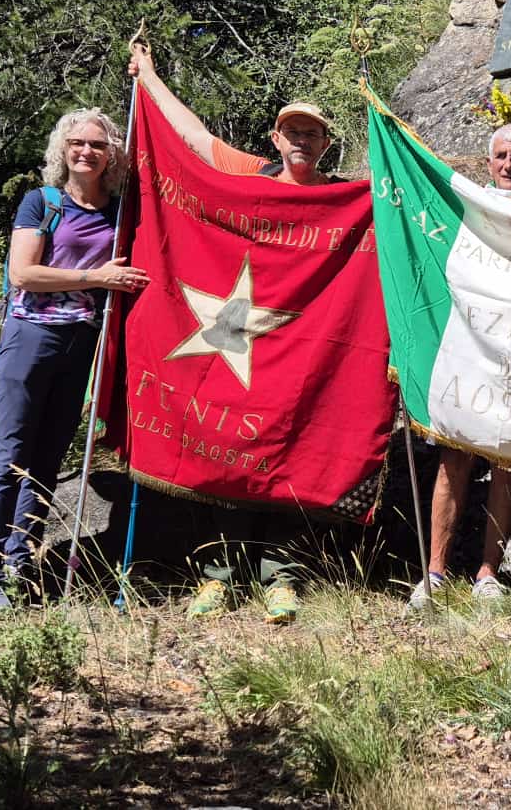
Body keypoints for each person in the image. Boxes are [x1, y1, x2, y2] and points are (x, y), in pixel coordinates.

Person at [129, 33, 342, 623]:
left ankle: (282, 577)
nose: (301, 140)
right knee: (226, 449)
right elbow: (194, 139)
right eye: (292, 131)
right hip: (233, 336)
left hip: (300, 349)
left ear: (326, 143)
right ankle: (219, 575)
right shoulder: (251, 172)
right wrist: (147, 75)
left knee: (290, 453)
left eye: (312, 133)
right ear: (277, 138)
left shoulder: (345, 199)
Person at [0, 107, 149, 609]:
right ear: (62, 150)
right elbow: (25, 274)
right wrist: (96, 277)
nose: (86, 151)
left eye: (97, 144)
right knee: (9, 458)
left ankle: (20, 561)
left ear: (111, 152)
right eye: (77, 143)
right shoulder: (42, 202)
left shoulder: (118, 211)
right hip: (29, 338)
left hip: (81, 344)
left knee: (47, 461)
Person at [408, 123, 511, 610]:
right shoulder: (467, 207)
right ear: (488, 162)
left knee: (507, 460)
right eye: (501, 156)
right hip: (469, 347)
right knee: (454, 459)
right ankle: (434, 573)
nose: (510, 164)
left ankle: (488, 573)